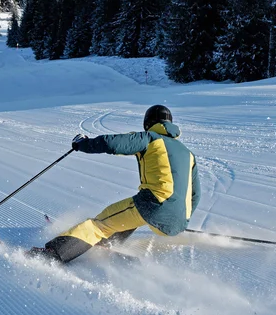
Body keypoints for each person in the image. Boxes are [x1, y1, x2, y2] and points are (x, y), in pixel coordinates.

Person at [31, 104, 200, 264]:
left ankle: (53, 254)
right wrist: (177, 216)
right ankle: (111, 241)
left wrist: (84, 144)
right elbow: (195, 194)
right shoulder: (188, 153)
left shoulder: (151, 138)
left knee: (100, 224)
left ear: (148, 123)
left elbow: (113, 143)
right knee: (130, 212)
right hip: (179, 221)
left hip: (153, 207)